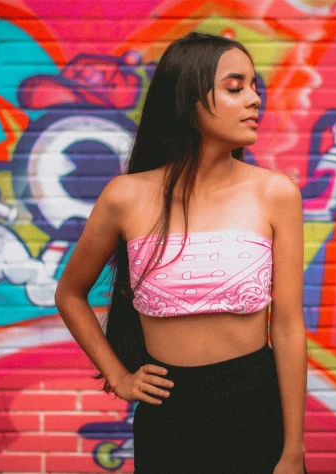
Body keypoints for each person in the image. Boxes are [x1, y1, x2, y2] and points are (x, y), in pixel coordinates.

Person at [54, 31, 307, 473]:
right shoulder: (126, 197)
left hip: (256, 408)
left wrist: (293, 451)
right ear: (188, 98)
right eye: (235, 88)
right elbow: (70, 294)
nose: (253, 100)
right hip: (169, 419)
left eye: (253, 87)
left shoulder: (274, 193)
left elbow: (287, 327)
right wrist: (119, 377)